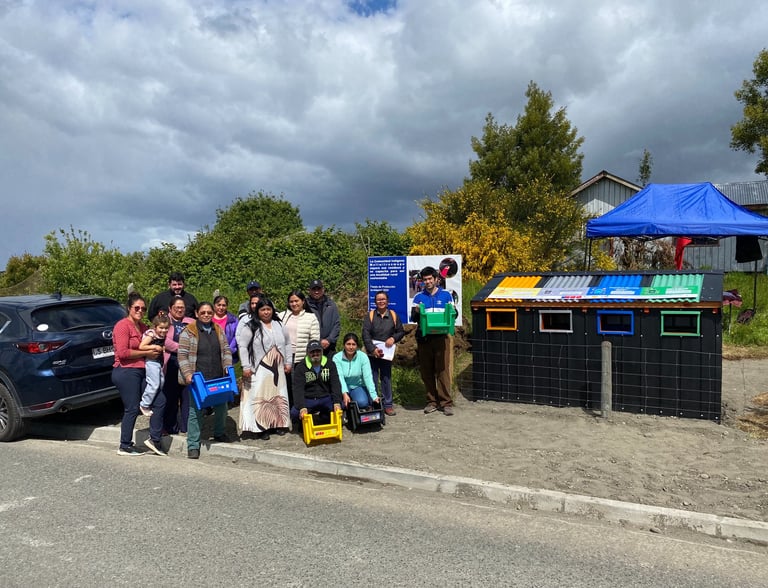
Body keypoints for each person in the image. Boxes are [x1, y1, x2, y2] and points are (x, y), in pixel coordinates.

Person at [111, 292, 167, 456]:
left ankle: (154, 440)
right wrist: (149, 351)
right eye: (137, 307)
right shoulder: (122, 326)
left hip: (143, 370)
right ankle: (125, 445)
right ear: (129, 308)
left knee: (160, 400)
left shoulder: (143, 327)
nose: (140, 311)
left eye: (143, 308)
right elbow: (122, 353)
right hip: (126, 370)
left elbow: (157, 337)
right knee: (132, 408)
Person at [177, 302, 233, 459]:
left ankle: (219, 433)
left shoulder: (218, 330)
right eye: (203, 312)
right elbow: (182, 355)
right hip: (198, 379)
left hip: (217, 376)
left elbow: (226, 350)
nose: (207, 315)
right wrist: (188, 374)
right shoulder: (188, 332)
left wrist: (228, 366)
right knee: (195, 412)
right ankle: (193, 444)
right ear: (197, 313)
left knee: (222, 408)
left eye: (209, 312)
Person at [236, 298, 292, 439]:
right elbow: (242, 346)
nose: (266, 312)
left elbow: (287, 344)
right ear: (257, 311)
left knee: (277, 395)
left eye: (268, 309)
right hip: (259, 367)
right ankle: (261, 427)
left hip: (277, 368)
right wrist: (246, 366)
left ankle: (278, 424)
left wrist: (288, 362)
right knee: (260, 396)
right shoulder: (251, 326)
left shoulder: (279, 324)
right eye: (262, 309)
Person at [410, 266, 456, 416]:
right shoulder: (418, 297)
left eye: (430, 279)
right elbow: (413, 318)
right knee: (427, 371)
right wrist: (416, 312)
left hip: (441, 339)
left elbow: (454, 315)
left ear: (436, 279)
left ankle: (446, 403)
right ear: (422, 282)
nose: (428, 282)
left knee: (442, 370)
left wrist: (453, 312)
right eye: (425, 280)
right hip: (424, 338)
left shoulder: (446, 295)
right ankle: (431, 401)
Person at [362, 290, 405, 416]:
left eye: (383, 299)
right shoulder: (370, 316)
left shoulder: (393, 315)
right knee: (372, 379)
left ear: (387, 301)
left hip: (387, 354)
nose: (381, 301)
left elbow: (401, 331)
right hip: (372, 353)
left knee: (386, 378)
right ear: (375, 302)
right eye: (378, 300)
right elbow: (365, 334)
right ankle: (372, 404)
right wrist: (372, 349)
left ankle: (388, 405)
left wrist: (393, 338)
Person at [278, 290, 320, 405]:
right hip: (285, 356)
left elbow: (315, 340)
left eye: (296, 301)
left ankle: (302, 408)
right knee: (287, 385)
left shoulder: (311, 317)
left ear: (303, 301)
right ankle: (290, 409)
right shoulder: (281, 316)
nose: (294, 304)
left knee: (301, 384)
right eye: (291, 301)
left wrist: (311, 357)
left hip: (302, 357)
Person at [162, 296, 195, 435]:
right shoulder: (164, 321)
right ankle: (170, 426)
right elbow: (165, 341)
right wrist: (182, 348)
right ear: (170, 308)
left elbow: (196, 339)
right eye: (177, 307)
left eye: (182, 307)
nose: (180, 310)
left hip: (188, 364)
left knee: (187, 396)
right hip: (170, 363)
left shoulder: (192, 322)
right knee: (171, 396)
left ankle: (186, 426)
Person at [291, 340, 342, 422]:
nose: (315, 354)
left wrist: (337, 402)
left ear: (322, 351)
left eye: (318, 351)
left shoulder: (330, 364)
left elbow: (335, 384)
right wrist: (302, 407)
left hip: (325, 397)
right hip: (309, 399)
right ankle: (303, 423)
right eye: (312, 351)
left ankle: (325, 415)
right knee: (295, 413)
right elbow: (298, 389)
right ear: (308, 353)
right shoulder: (300, 367)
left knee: (341, 406)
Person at [333, 333, 379, 410]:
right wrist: (344, 393)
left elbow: (368, 377)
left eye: (353, 344)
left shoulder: (363, 357)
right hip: (341, 386)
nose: (351, 347)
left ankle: (353, 401)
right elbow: (340, 377)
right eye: (348, 344)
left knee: (362, 402)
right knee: (341, 404)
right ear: (344, 345)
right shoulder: (336, 358)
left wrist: (374, 396)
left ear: (357, 346)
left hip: (357, 386)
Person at [138, 313, 171, 417]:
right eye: (161, 328)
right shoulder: (151, 335)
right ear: (155, 327)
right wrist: (154, 347)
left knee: (161, 381)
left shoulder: (162, 336)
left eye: (166, 328)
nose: (163, 330)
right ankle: (144, 404)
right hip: (151, 362)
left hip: (158, 362)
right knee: (154, 383)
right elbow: (141, 346)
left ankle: (153, 399)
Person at [306, 279, 340, 357]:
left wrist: (329, 340)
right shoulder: (305, 305)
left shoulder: (331, 304)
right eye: (314, 289)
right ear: (309, 291)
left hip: (330, 346)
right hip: (312, 347)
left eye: (319, 289)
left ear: (323, 289)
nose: (316, 291)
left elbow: (336, 324)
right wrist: (319, 341)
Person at [212, 295, 239, 363]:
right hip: (212, 354)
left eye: (224, 305)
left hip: (230, 355)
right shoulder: (208, 318)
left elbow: (237, 335)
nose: (221, 307)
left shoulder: (233, 320)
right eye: (219, 305)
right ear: (214, 305)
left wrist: (230, 349)